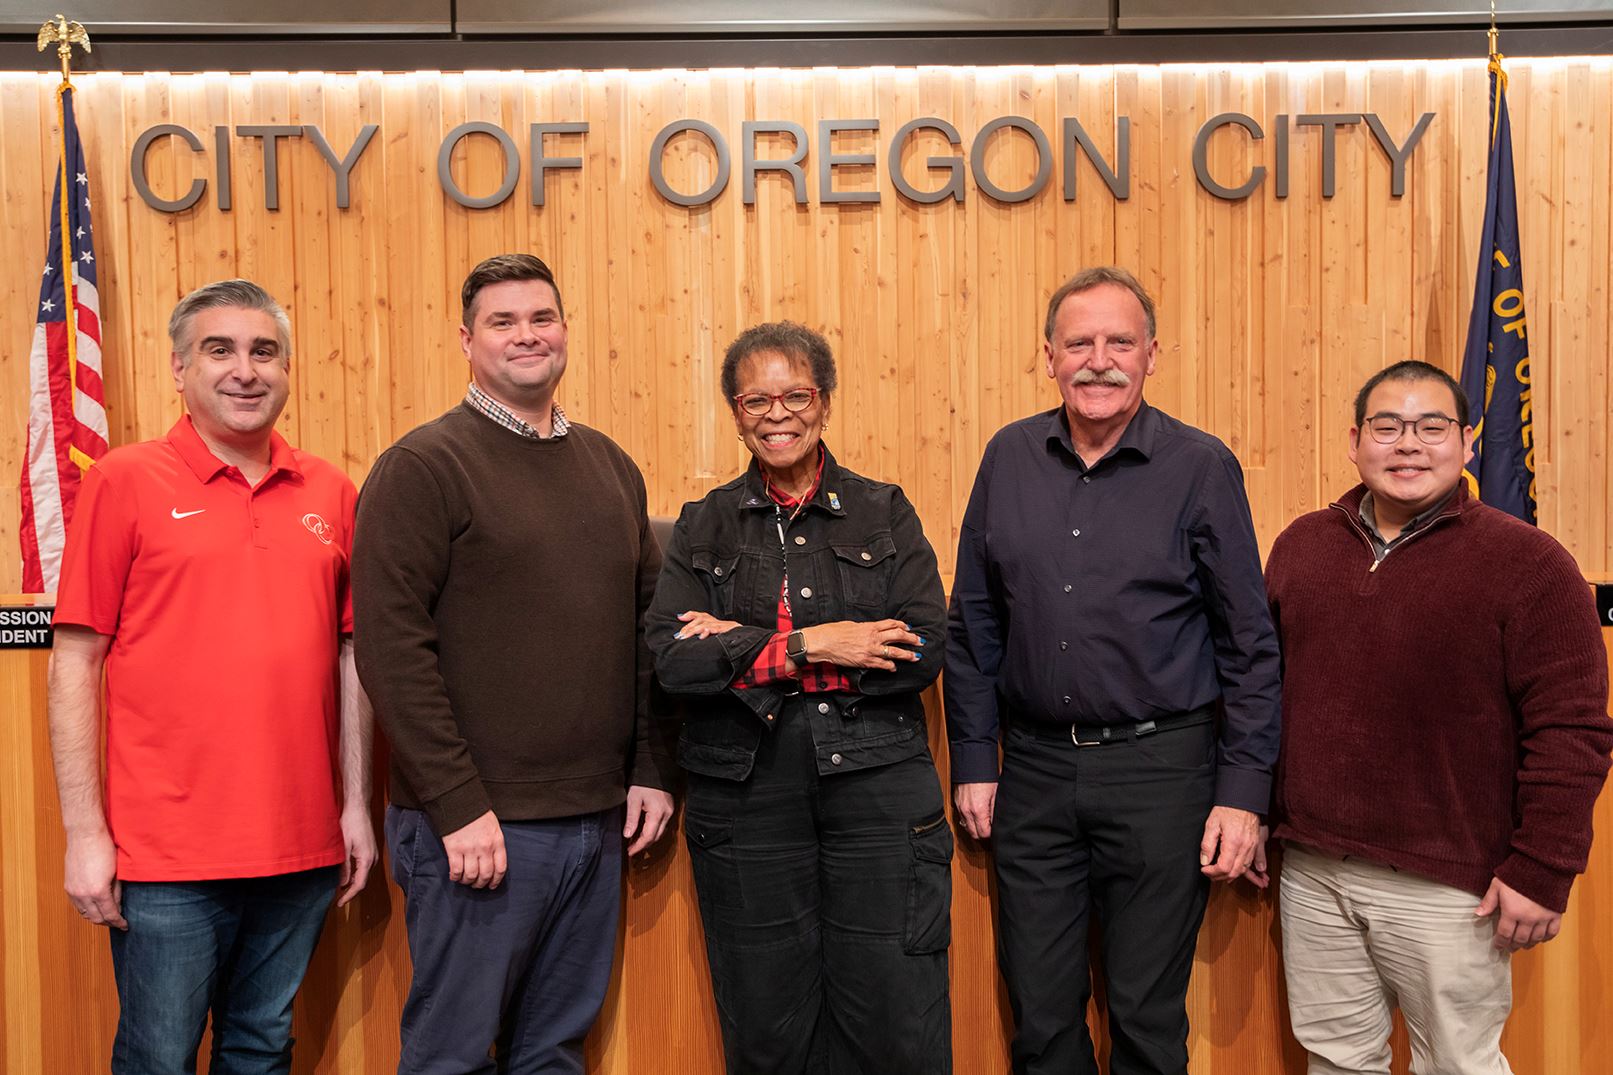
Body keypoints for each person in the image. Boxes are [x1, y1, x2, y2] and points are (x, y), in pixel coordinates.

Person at [945, 266, 1282, 1075]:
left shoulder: (1200, 466)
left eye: (1118, 342)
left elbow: (1248, 642)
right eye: (1079, 343)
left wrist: (1242, 795)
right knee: (1041, 1016)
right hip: (1030, 772)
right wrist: (973, 761)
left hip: (1161, 771)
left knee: (1144, 1016)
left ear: (1151, 354)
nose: (1099, 360)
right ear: (1049, 357)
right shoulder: (1009, 455)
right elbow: (975, 621)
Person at [352, 253, 677, 1073]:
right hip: (476, 828)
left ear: (564, 329)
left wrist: (649, 766)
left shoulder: (611, 467)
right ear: (466, 340)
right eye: (503, 321)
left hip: (595, 822)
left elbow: (648, 634)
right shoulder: (424, 466)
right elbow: (390, 650)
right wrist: (457, 804)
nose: (526, 335)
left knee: (552, 1052)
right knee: (452, 1055)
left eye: (541, 317)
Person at [48, 279, 375, 1074]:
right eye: (219, 350)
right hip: (163, 854)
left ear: (288, 368)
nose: (245, 370)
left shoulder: (332, 491)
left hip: (301, 846)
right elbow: (76, 660)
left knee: (262, 1047)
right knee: (159, 1056)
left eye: (264, 351)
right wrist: (85, 833)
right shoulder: (124, 480)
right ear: (179, 368)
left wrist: (356, 806)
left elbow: (353, 659)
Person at [1265, 359, 1613, 1075]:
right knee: (1334, 1061)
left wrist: (1543, 869)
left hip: (1452, 889)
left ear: (1463, 441)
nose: (1408, 445)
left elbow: (1573, 731)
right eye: (1387, 426)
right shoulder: (1300, 546)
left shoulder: (1532, 564)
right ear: (1355, 441)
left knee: (1457, 1065)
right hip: (1313, 868)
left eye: (1431, 427)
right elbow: (1262, 692)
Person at [646, 321, 953, 1074]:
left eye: (795, 395)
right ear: (735, 410)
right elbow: (671, 662)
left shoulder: (884, 510)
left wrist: (740, 646)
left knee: (893, 1014)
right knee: (767, 1022)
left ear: (824, 401)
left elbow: (919, 647)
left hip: (876, 793)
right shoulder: (701, 523)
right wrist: (811, 643)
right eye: (756, 399)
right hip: (746, 798)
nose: (776, 413)